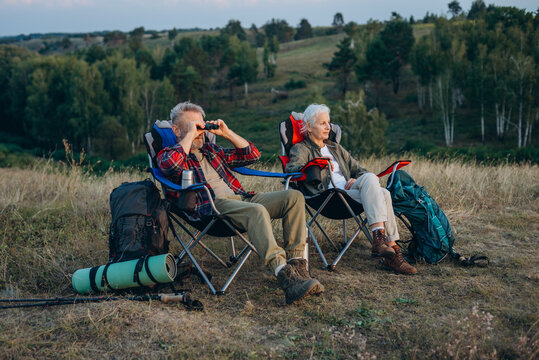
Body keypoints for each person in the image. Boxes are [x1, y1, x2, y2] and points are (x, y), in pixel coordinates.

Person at [157, 101, 324, 304]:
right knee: (257, 211)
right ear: (176, 130)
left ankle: (298, 267)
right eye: (194, 126)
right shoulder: (169, 154)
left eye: (201, 126)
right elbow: (171, 163)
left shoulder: (212, 150)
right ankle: (284, 275)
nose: (200, 132)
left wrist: (226, 133)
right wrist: (190, 135)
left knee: (293, 197)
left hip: (242, 199)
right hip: (213, 207)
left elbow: (252, 154)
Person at [285, 104, 417, 275]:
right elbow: (293, 169)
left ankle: (385, 246)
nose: (328, 127)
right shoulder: (301, 148)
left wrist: (356, 179)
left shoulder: (335, 147)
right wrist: (319, 165)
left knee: (375, 184)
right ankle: (388, 247)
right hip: (328, 196)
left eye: (329, 123)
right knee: (382, 193)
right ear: (309, 127)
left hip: (348, 192)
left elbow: (360, 170)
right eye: (322, 123)